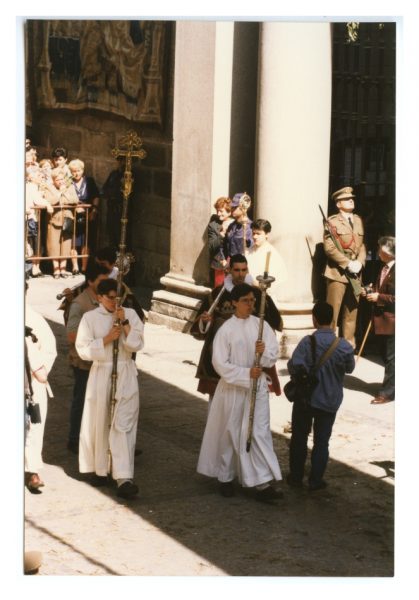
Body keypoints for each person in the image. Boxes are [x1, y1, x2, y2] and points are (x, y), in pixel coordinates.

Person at [197, 283, 283, 502]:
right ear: (234, 302)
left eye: (253, 301)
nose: (250, 305)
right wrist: (246, 374)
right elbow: (219, 362)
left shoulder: (262, 326)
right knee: (230, 431)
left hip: (257, 389)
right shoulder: (226, 329)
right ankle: (225, 477)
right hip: (233, 389)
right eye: (245, 300)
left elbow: (273, 353)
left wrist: (263, 355)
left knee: (257, 432)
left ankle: (261, 482)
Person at [75, 278, 144, 499]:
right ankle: (101, 469)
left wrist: (124, 325)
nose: (115, 302)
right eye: (110, 298)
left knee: (122, 423)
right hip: (101, 373)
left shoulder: (130, 315)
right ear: (100, 297)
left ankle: (124, 476)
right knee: (100, 420)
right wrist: (105, 340)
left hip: (125, 372)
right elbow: (82, 350)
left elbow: (136, 345)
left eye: (118, 298)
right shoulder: (90, 318)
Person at [191, 253, 282, 402]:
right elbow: (199, 327)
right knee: (219, 404)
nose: (240, 274)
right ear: (229, 271)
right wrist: (205, 321)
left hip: (250, 357)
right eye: (237, 270)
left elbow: (275, 322)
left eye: (244, 270)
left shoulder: (258, 295)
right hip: (223, 357)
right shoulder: (216, 295)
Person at [286, 301, 355, 491]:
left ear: (314, 319)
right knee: (322, 441)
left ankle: (296, 477)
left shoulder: (307, 342)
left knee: (299, 438)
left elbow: (293, 366)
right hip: (329, 400)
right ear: (332, 320)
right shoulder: (343, 346)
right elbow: (350, 368)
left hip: (305, 399)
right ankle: (316, 480)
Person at [66, 262, 110, 453]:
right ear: (91, 282)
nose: (106, 283)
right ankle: (74, 439)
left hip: (102, 360)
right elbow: (72, 335)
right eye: (102, 280)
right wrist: (99, 339)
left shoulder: (105, 300)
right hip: (84, 362)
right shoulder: (80, 304)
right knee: (82, 399)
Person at [323, 186, 366, 348]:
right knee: (332, 312)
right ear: (338, 204)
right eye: (347, 199)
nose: (351, 200)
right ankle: (328, 346)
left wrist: (359, 263)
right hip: (337, 274)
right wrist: (347, 263)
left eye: (352, 198)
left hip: (355, 273)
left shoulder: (358, 220)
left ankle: (347, 346)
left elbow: (362, 245)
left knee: (351, 313)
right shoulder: (332, 222)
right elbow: (329, 248)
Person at [25, 301, 57, 492]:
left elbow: (49, 348)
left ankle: (32, 470)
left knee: (34, 427)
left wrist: (40, 369)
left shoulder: (34, 319)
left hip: (32, 382)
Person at [362, 236, 395, 404]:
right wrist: (370, 291)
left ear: (387, 252)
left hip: (392, 321)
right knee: (386, 356)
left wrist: (379, 297)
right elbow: (381, 288)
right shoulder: (384, 268)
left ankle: (387, 393)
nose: (377, 252)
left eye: (380, 249)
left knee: (391, 358)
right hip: (381, 321)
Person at [43, 168, 79, 278]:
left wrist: (65, 194)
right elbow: (50, 201)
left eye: (62, 179)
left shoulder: (70, 187)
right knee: (54, 245)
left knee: (66, 245)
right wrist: (59, 193)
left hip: (67, 219)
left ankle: (63, 269)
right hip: (54, 219)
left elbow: (75, 200)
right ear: (53, 180)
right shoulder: (49, 188)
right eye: (57, 179)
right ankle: (56, 269)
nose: (60, 181)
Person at [68, 158, 101, 273]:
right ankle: (75, 267)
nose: (76, 173)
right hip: (73, 216)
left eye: (78, 170)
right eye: (73, 171)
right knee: (74, 242)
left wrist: (94, 211)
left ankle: (84, 267)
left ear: (82, 170)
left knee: (85, 242)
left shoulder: (89, 181)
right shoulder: (68, 182)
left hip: (88, 215)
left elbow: (96, 196)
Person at [247, 219, 288, 307]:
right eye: (253, 233)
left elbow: (276, 281)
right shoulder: (249, 251)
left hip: (264, 299)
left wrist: (257, 284)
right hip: (248, 297)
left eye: (258, 234)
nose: (254, 237)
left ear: (267, 234)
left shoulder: (272, 254)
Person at [207, 196, 234, 286]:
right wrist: (222, 234)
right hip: (220, 264)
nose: (218, 214)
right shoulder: (213, 225)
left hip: (233, 264)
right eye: (217, 211)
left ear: (229, 212)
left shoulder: (236, 225)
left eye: (221, 211)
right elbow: (211, 246)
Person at [224, 192, 253, 259]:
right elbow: (225, 244)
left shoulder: (250, 227)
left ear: (243, 207)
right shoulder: (231, 226)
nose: (232, 209)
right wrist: (224, 259)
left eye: (235, 207)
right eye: (232, 207)